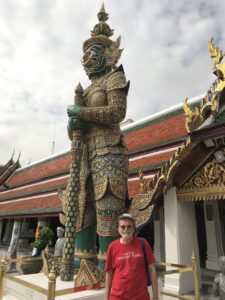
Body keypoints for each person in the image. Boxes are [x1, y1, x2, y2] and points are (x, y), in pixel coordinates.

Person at [66, 4, 129, 270]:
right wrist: (73, 123)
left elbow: (117, 112)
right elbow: (76, 131)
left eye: (92, 54)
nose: (86, 60)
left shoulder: (115, 77)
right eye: (85, 56)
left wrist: (83, 111)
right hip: (85, 154)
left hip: (109, 151)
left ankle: (109, 269)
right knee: (81, 209)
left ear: (107, 53)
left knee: (107, 207)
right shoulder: (88, 88)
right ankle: (84, 265)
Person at [105, 213, 158, 300]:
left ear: (133, 228)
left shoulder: (143, 243)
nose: (126, 229)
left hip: (141, 296)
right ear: (118, 229)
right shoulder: (112, 246)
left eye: (129, 226)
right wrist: (106, 298)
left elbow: (152, 270)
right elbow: (109, 274)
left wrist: (156, 297)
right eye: (123, 226)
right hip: (118, 297)